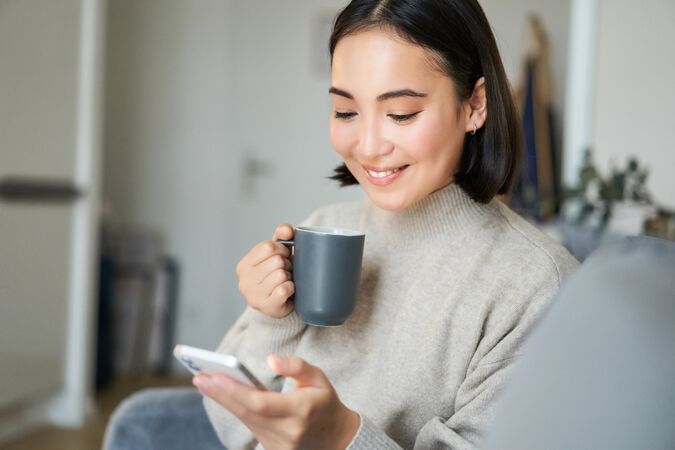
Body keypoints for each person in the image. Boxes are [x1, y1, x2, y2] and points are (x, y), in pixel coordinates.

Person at [104, 0, 578, 448]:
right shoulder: (322, 229)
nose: (368, 146)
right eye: (345, 111)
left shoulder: (535, 286)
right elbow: (233, 430)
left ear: (474, 105)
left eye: (401, 113)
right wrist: (273, 319)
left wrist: (341, 439)